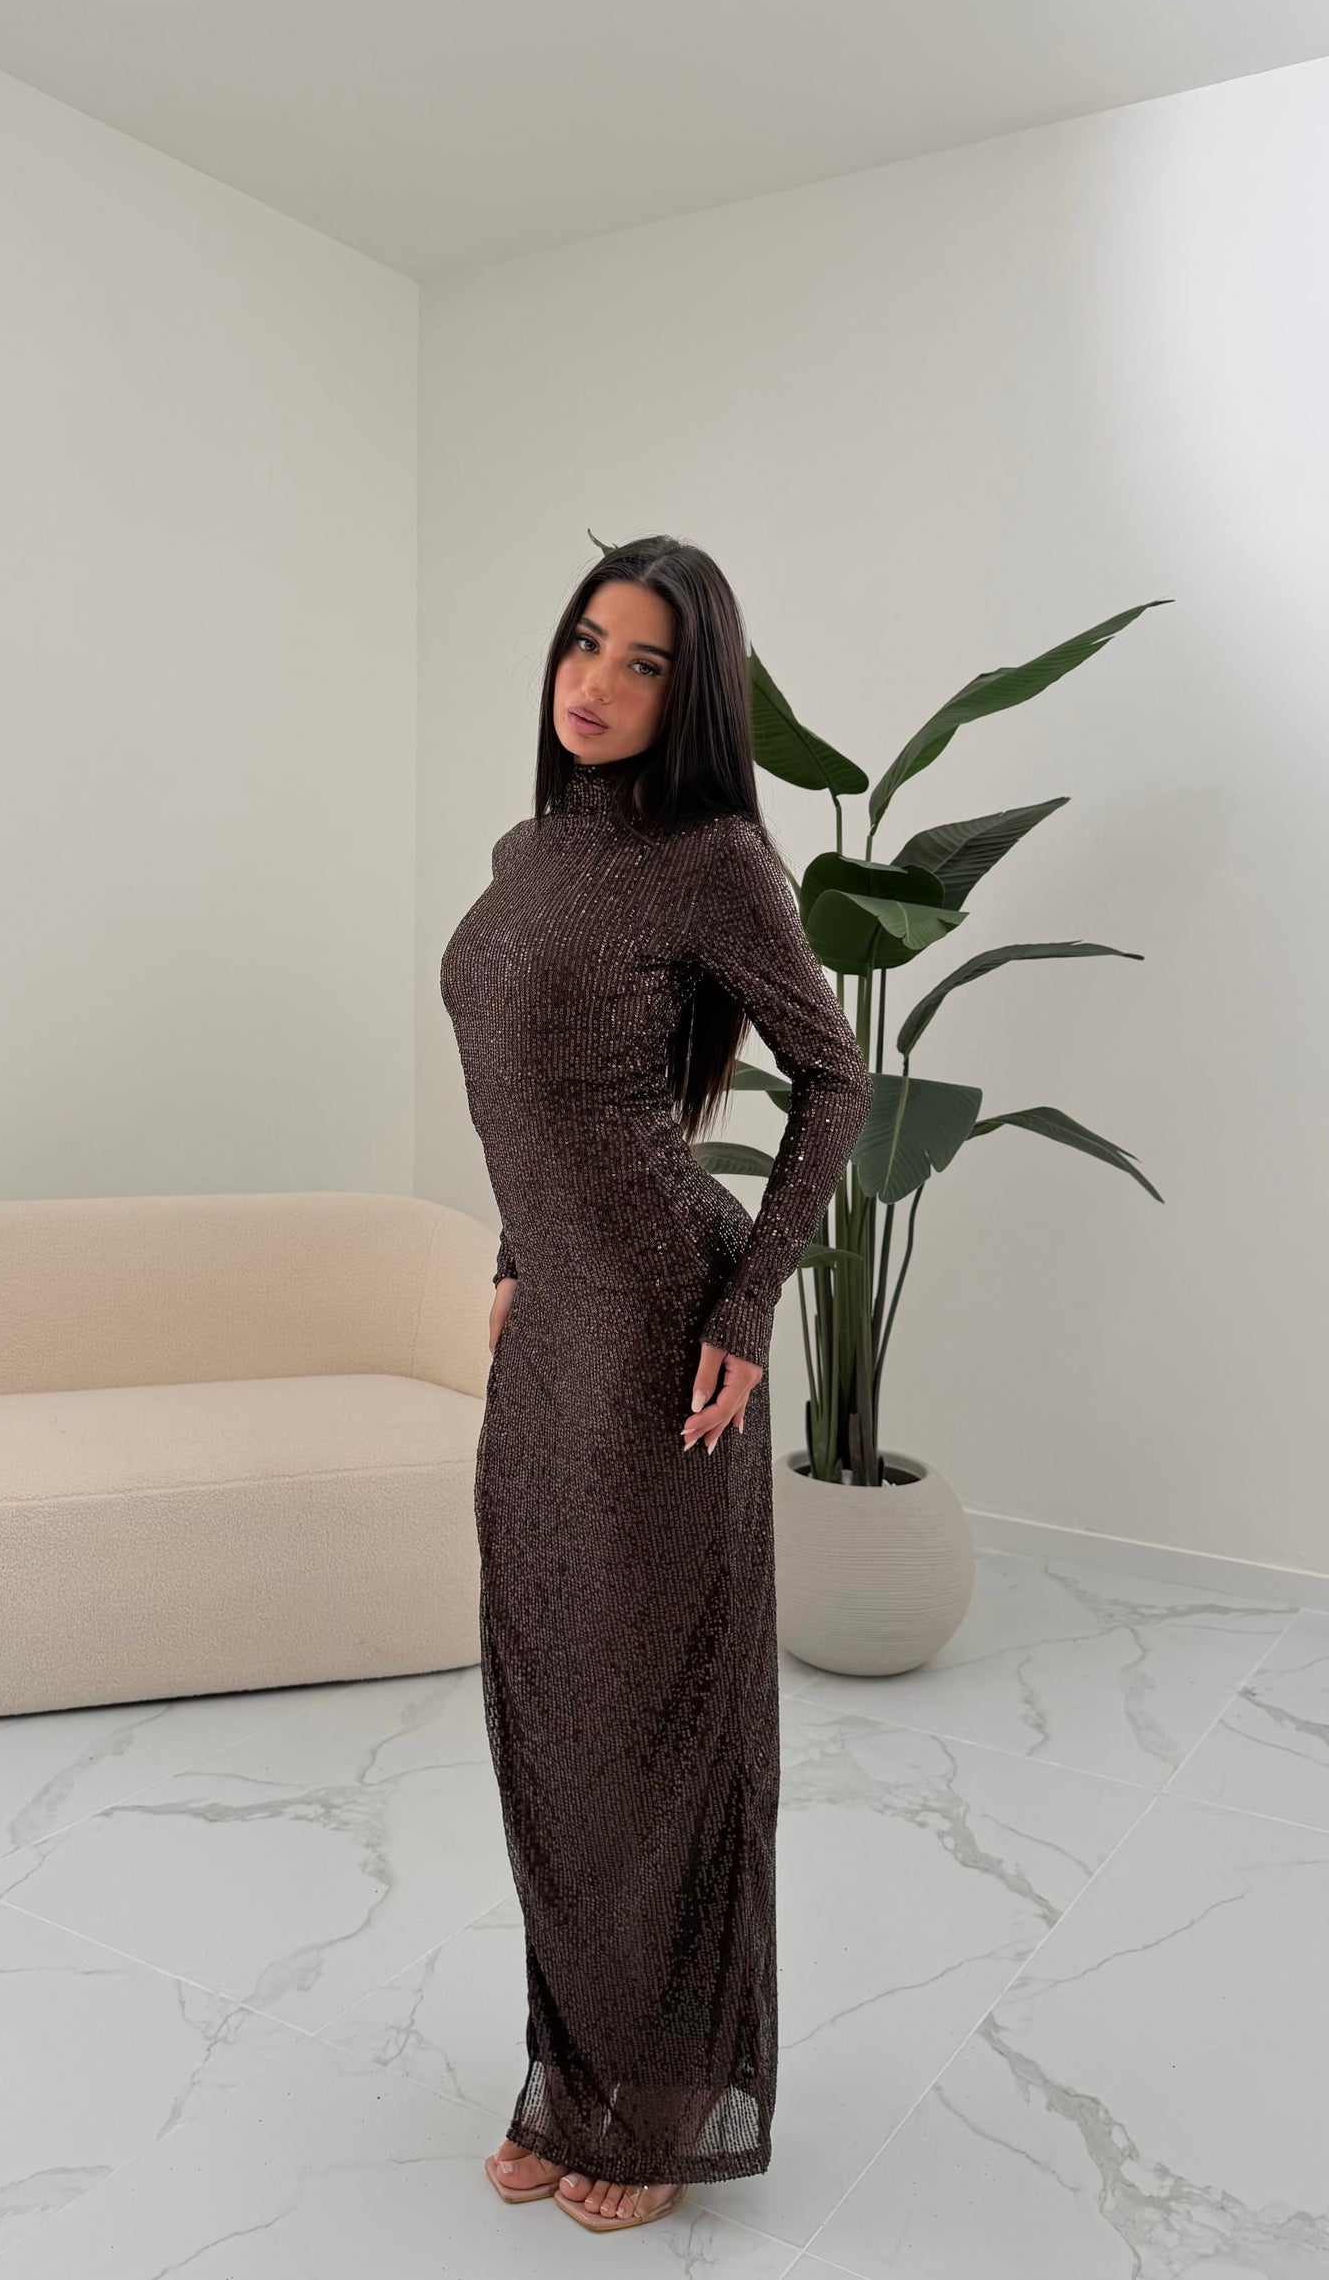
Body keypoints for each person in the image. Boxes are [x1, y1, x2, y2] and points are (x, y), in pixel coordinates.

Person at [439, 534, 871, 2233]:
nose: (596, 684)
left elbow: (833, 1078)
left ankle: (659, 2108)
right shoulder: (529, 849)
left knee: (643, 1732)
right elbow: (538, 1089)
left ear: (691, 702)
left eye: (643, 665)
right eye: (584, 643)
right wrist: (512, 1246)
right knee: (549, 1709)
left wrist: (748, 1307)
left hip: (656, 1338)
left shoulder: (716, 862)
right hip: (551, 1324)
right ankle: (573, 2080)